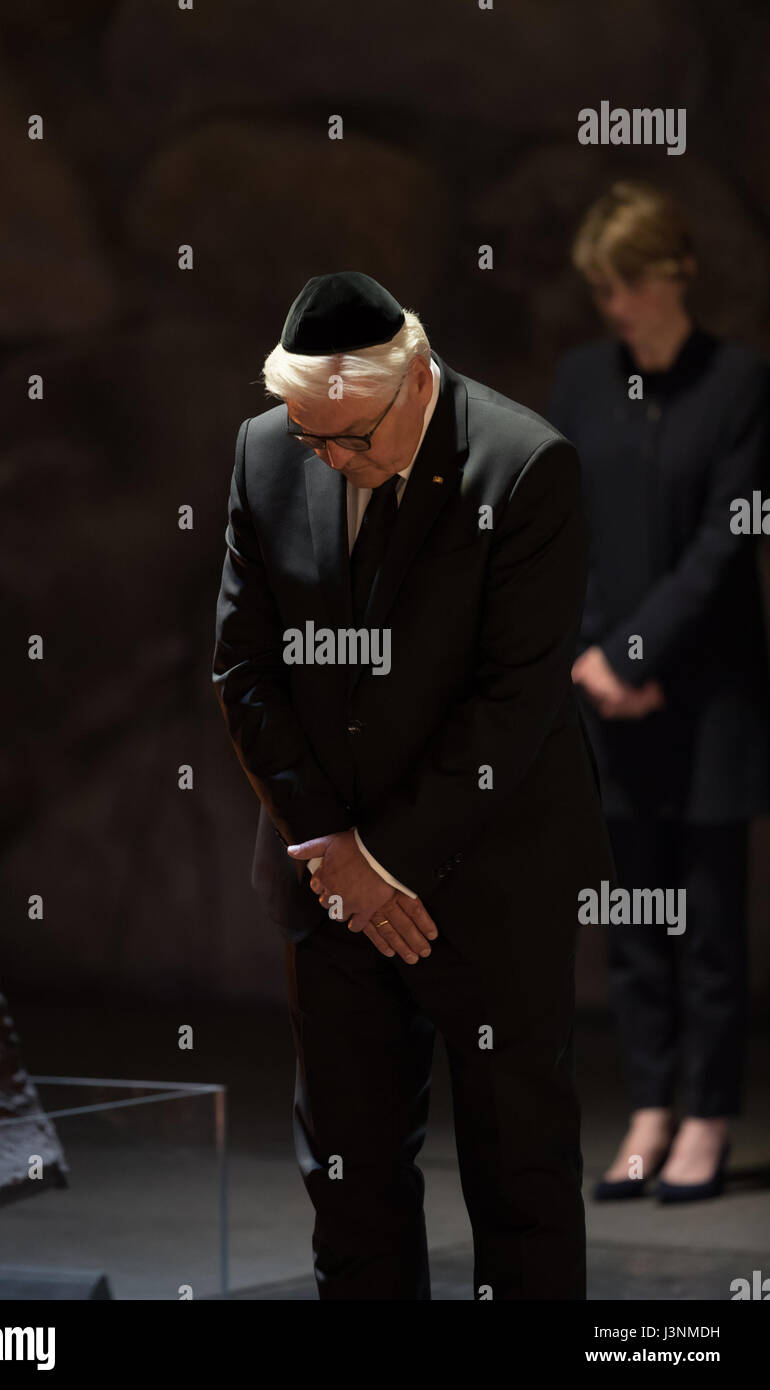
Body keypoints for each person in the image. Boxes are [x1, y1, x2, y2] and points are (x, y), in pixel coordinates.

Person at [213, 270, 614, 1299]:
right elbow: (245, 670)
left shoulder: (525, 467)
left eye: (351, 438)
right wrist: (328, 849)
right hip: (326, 881)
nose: (331, 460)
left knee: (518, 1175)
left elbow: (511, 702)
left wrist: (375, 855)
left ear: (418, 378)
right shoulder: (268, 449)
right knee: (349, 1185)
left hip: (492, 874)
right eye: (313, 439)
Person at [548, 182, 770, 1203]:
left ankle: (707, 1114)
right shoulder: (580, 382)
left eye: (627, 281)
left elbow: (728, 542)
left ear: (673, 273)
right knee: (633, 920)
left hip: (709, 696)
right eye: (602, 285)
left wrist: (635, 654)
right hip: (608, 694)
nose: (614, 304)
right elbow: (563, 530)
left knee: (712, 927)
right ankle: (646, 1106)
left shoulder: (740, 385)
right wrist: (600, 657)